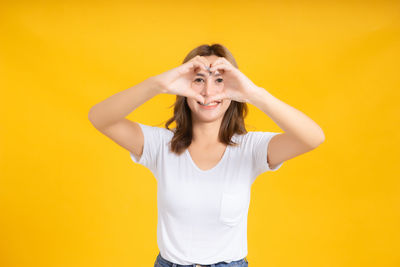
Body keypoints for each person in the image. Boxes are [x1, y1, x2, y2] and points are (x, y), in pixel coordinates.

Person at [88, 43, 325, 267]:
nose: (208, 91)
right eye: (198, 80)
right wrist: (159, 84)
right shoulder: (160, 145)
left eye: (220, 80)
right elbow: (99, 117)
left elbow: (313, 137)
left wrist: (254, 94)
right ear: (184, 88)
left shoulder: (251, 148)